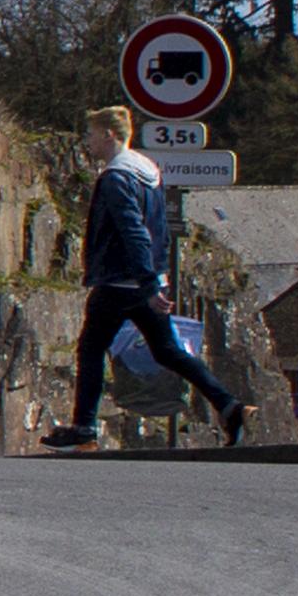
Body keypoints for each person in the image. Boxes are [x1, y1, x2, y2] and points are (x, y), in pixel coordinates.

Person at [49, 109, 248, 450]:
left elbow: (134, 232)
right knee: (168, 351)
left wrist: (147, 285)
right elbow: (159, 230)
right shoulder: (149, 172)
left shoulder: (116, 177)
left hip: (120, 283)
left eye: (92, 134)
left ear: (110, 134)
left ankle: (84, 430)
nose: (89, 141)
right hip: (147, 279)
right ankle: (230, 407)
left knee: (91, 349)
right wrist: (155, 279)